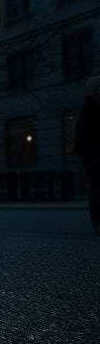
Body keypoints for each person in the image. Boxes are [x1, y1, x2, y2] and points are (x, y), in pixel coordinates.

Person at [74, 76, 100, 234]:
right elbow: (82, 136)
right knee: (97, 187)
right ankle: (97, 221)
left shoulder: (93, 107)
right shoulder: (90, 108)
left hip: (93, 155)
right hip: (94, 157)